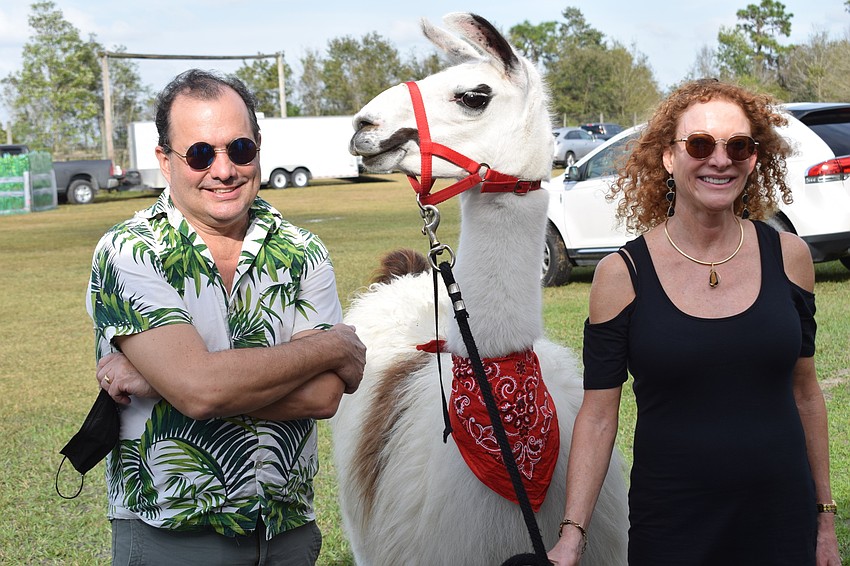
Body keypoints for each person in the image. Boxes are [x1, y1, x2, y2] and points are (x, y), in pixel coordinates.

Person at [547, 79, 840, 565]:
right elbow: (599, 416)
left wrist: (824, 518)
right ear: (668, 157)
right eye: (700, 144)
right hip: (672, 527)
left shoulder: (791, 258)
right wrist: (572, 535)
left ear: (754, 158)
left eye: (738, 146)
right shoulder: (621, 275)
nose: (720, 160)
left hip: (781, 520)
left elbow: (806, 392)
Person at [86, 68, 366, 565]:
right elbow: (201, 390)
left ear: (258, 147)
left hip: (286, 533)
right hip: (172, 536)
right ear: (164, 161)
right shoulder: (130, 251)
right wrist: (330, 346)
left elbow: (324, 398)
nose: (223, 170)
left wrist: (164, 384)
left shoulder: (303, 251)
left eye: (239, 149)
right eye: (199, 153)